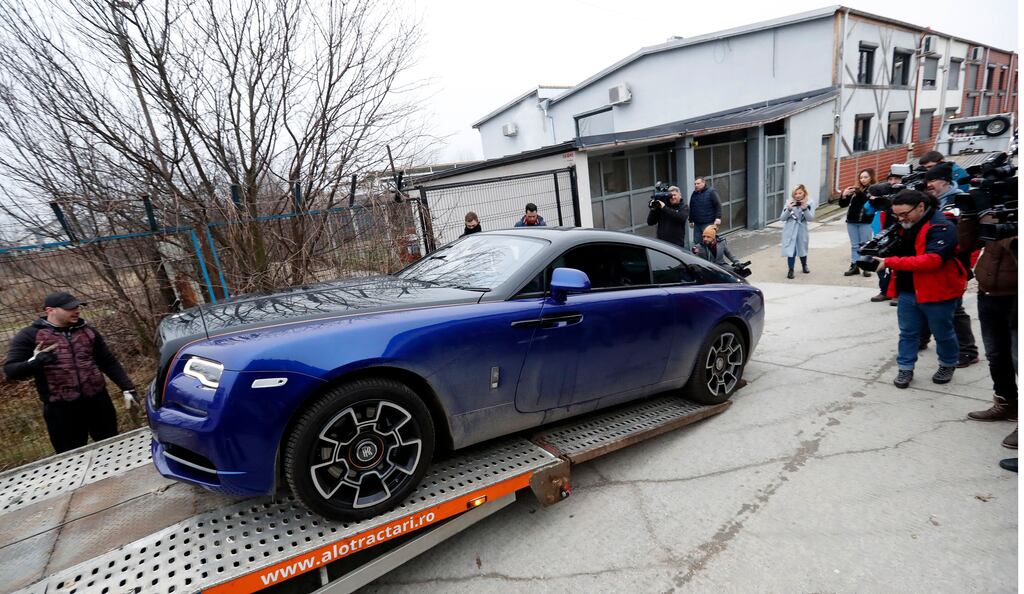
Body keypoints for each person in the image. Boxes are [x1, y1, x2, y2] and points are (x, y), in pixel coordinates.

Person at [3, 292, 137, 454]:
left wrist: (127, 387)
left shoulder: (88, 331)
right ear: (50, 310)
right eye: (69, 308)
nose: (76, 311)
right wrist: (35, 362)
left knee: (113, 449)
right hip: (61, 409)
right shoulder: (30, 335)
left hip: (98, 403)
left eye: (77, 307)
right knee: (71, 457)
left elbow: (108, 362)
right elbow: (11, 370)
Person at [872, 190, 967, 389]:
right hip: (908, 289)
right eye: (896, 215)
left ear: (921, 207)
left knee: (943, 331)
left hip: (937, 290)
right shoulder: (903, 225)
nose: (900, 219)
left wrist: (891, 261)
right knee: (907, 333)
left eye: (904, 214)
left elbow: (933, 261)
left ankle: (948, 364)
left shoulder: (943, 226)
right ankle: (905, 368)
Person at [958, 207, 1017, 450]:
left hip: (1015, 296)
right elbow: (966, 244)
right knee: (996, 355)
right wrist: (970, 216)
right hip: (989, 295)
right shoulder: (998, 210)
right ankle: (1007, 403)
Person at [917, 162, 980, 367]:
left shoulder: (959, 200)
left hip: (954, 263)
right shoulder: (930, 200)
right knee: (924, 302)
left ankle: (967, 350)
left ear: (946, 181)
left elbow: (966, 236)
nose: (929, 185)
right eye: (927, 181)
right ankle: (922, 338)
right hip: (930, 259)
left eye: (933, 180)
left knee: (954, 308)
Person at [839, 168, 877, 278]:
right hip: (852, 221)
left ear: (871, 177)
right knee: (854, 245)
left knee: (865, 244)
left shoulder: (874, 190)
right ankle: (854, 265)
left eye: (865, 177)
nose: (863, 180)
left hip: (866, 221)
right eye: (861, 177)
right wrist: (844, 195)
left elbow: (867, 201)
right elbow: (843, 204)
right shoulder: (856, 190)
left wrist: (858, 192)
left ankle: (866, 266)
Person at [780, 184, 814, 279]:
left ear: (804, 193)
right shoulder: (789, 202)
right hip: (790, 229)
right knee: (791, 250)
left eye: (800, 193)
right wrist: (789, 209)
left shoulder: (809, 203)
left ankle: (804, 265)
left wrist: (805, 209)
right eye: (795, 193)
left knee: (802, 248)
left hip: (801, 229)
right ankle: (791, 270)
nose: (798, 195)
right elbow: (782, 218)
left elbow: (810, 218)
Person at [687, 177, 722, 246]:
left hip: (708, 223)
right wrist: (690, 220)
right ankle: (699, 256)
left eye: (698, 183)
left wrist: (718, 217)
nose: (696, 185)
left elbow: (718, 205)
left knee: (709, 242)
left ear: (703, 183)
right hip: (697, 224)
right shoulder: (694, 194)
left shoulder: (711, 192)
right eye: (695, 184)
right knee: (697, 243)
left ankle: (712, 256)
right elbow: (692, 207)